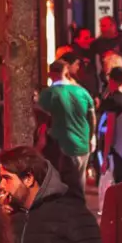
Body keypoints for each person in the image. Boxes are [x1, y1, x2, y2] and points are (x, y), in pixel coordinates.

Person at [38, 60, 96, 194]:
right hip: (83, 143)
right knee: (79, 183)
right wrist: (91, 137)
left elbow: (41, 117)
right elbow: (92, 117)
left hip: (61, 145)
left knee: (64, 185)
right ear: (66, 72)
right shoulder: (82, 92)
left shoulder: (49, 94)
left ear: (50, 74)